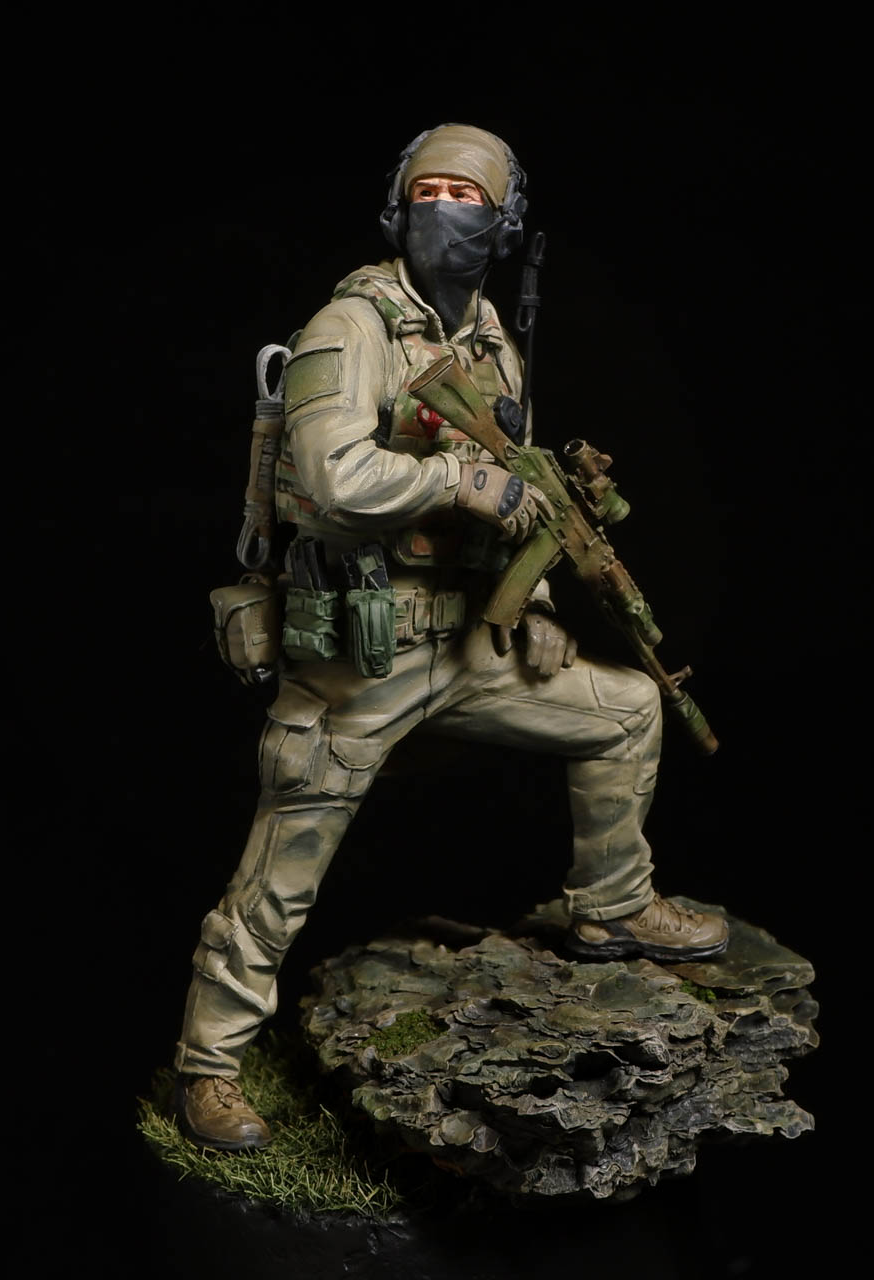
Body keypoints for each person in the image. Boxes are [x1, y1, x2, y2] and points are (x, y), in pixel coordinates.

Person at [174, 124, 728, 1150]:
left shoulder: (490, 342)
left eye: (466, 197)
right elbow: (333, 480)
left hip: (469, 643)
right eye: (426, 192)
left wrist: (540, 605)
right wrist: (455, 479)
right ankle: (208, 1067)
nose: (443, 211)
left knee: (625, 707)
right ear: (397, 209)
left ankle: (612, 904)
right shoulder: (351, 325)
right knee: (277, 881)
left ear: (504, 224)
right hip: (359, 657)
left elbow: (520, 499)